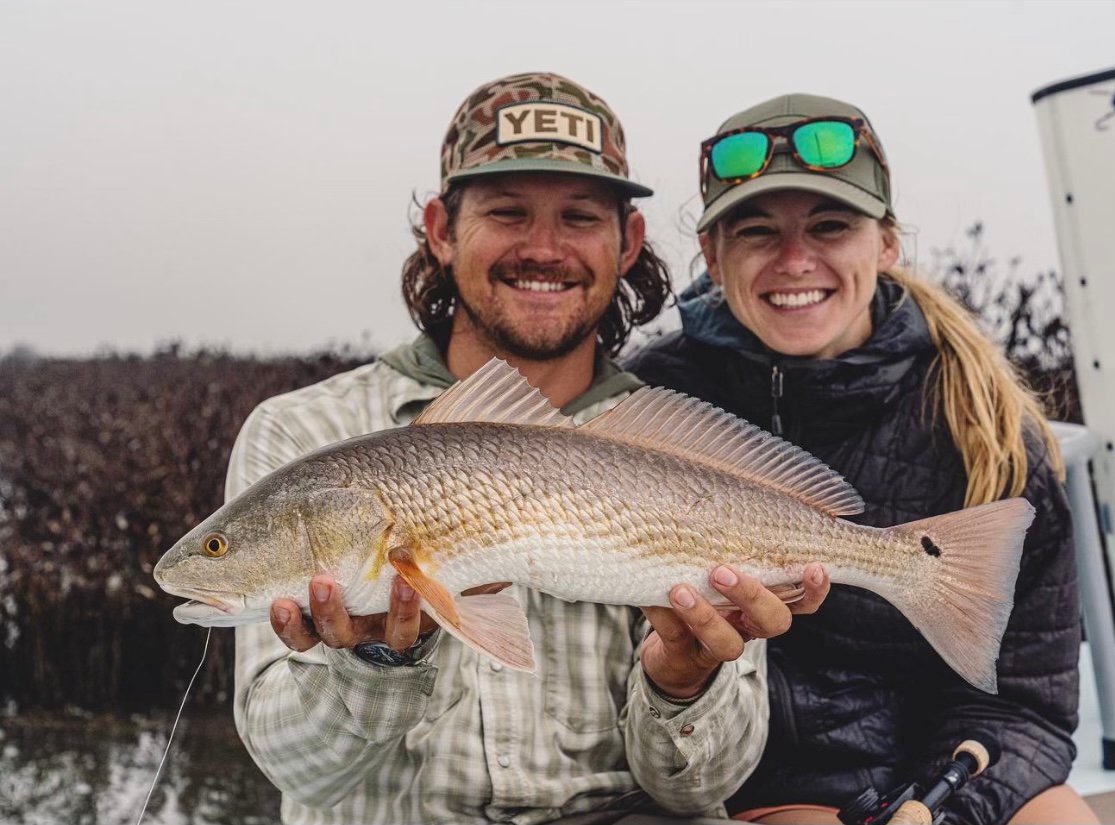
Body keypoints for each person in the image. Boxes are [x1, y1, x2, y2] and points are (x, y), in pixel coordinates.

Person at [226, 72, 830, 825]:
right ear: (442, 230)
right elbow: (298, 770)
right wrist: (378, 660)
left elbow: (700, 789)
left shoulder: (686, 457)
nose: (543, 249)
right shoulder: (302, 434)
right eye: (508, 213)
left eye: (579, 216)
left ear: (627, 241)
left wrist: (684, 679)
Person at [625, 94, 1099, 824]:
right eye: (756, 231)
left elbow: (1026, 699)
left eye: (831, 226)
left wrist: (941, 808)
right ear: (713, 258)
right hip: (779, 780)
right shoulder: (657, 398)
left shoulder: (986, 417)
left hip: (955, 774)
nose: (793, 260)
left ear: (885, 244)